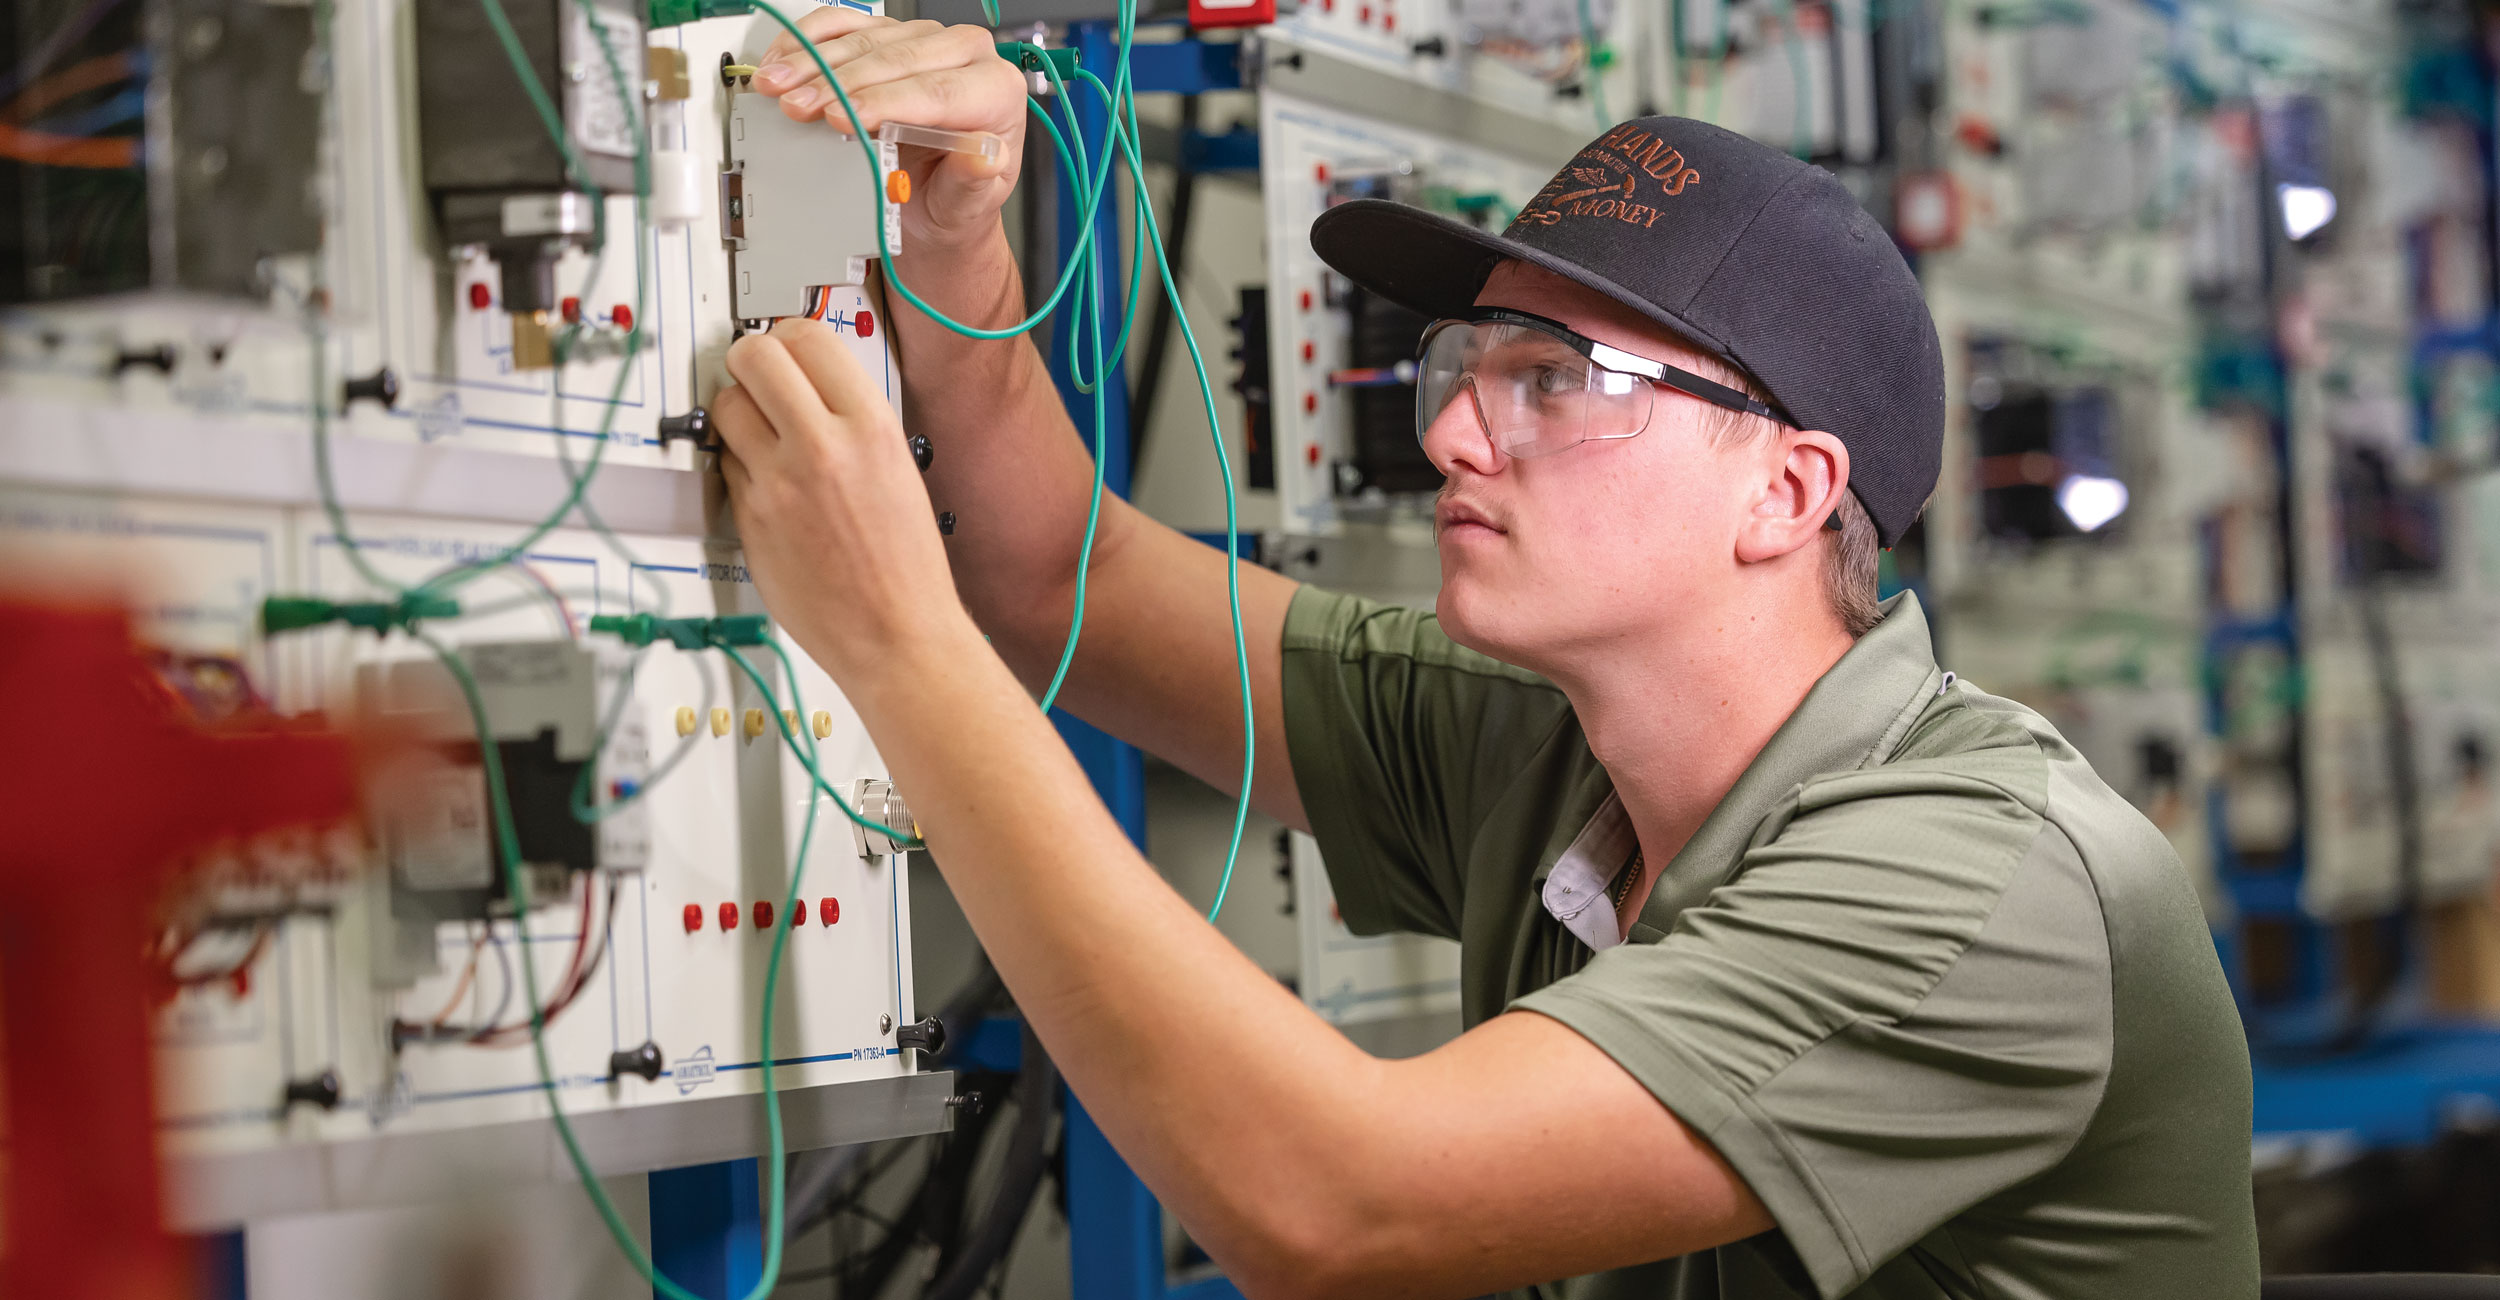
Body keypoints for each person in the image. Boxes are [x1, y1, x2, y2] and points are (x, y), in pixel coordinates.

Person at [708, 12, 2261, 1298]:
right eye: (1468, 365)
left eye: (1556, 380)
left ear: (1787, 493)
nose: (1450, 431)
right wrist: (954, 232)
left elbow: (1339, 1209)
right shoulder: (1549, 742)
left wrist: (891, 640)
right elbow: (1062, 577)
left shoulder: (1985, 884)